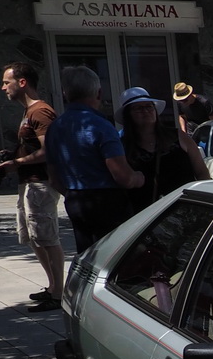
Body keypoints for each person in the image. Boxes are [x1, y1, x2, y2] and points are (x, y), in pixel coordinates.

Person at [45, 67, 145, 251]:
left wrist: (73, 193)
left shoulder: (55, 127)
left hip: (75, 199)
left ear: (66, 94)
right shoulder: (101, 126)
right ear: (99, 93)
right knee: (116, 259)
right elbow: (123, 177)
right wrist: (139, 177)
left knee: (87, 256)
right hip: (107, 202)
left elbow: (53, 178)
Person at [0, 62, 63, 310]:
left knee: (47, 238)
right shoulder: (29, 112)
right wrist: (10, 155)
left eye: (6, 82)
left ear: (22, 83)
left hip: (40, 184)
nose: (2, 87)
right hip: (29, 183)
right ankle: (52, 287)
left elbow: (50, 150)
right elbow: (34, 147)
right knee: (34, 238)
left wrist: (16, 162)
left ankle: (58, 293)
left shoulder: (40, 112)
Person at [118, 86, 207, 212]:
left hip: (188, 212)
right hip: (148, 219)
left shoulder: (178, 136)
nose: (146, 111)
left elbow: (202, 173)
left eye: (149, 106)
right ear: (128, 115)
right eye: (138, 108)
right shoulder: (121, 147)